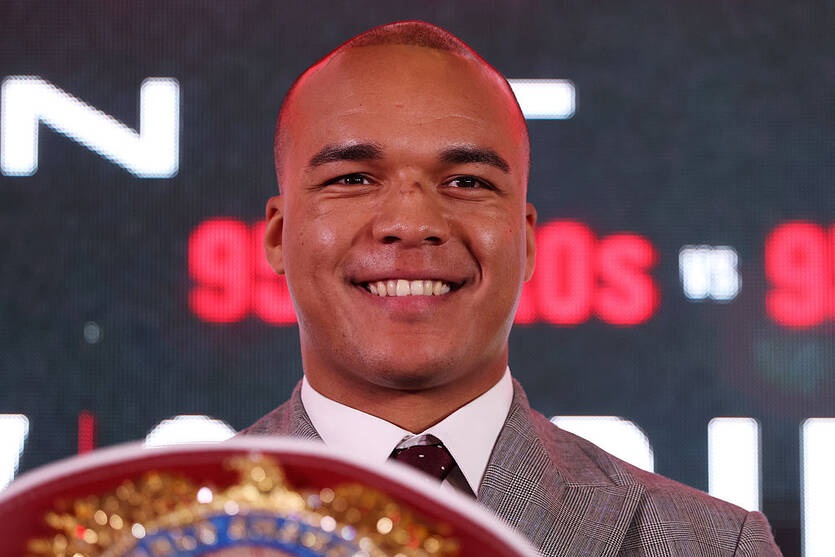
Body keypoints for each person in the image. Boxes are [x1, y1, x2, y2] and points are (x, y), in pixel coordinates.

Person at [242, 20, 782, 556]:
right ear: (277, 235)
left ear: (526, 241)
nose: (412, 222)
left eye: (466, 182)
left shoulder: (713, 544)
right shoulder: (189, 519)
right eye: (353, 179)